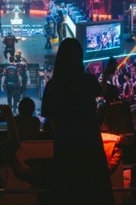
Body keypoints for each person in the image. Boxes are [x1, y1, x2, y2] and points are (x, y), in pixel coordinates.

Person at [41, 38, 113, 205]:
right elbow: (102, 91)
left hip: (65, 144)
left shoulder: (53, 85)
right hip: (90, 143)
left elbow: (52, 121)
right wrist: (106, 74)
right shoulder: (88, 81)